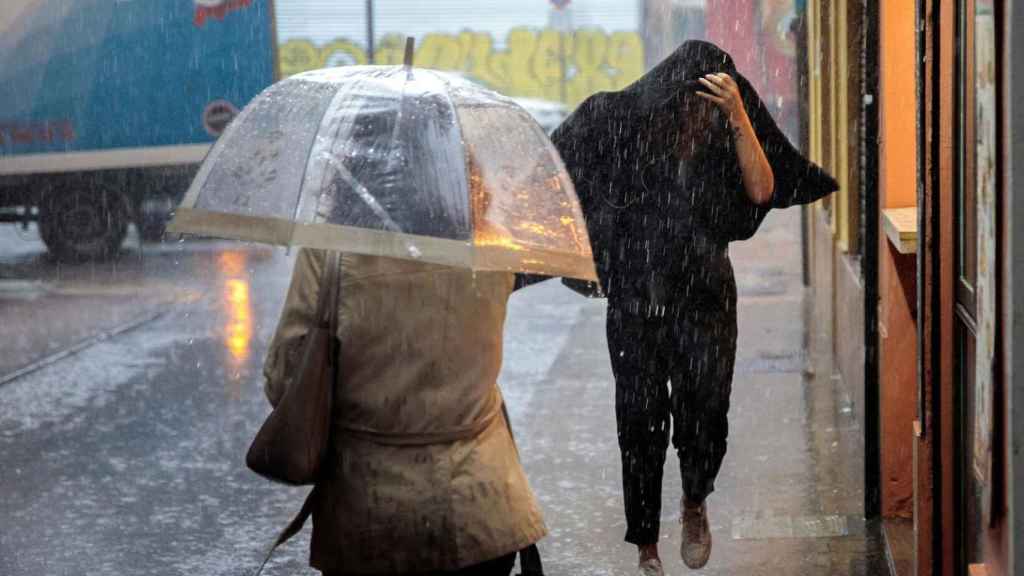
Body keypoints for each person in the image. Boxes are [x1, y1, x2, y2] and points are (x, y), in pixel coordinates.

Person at [551, 40, 837, 574]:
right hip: (636, 301)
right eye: (693, 101)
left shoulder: (721, 135)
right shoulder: (623, 127)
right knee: (639, 422)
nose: (695, 114)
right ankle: (646, 544)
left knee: (705, 413)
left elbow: (763, 189)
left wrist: (738, 116)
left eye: (710, 102)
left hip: (704, 299)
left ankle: (694, 500)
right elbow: (561, 177)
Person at [263, 247, 547, 575]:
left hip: (369, 511)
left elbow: (286, 382)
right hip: (481, 505)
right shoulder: (490, 243)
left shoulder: (331, 251)